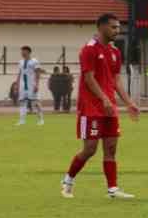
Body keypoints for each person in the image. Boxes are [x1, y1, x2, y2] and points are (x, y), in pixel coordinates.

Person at [61, 12, 139, 199]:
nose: (117, 30)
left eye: (118, 27)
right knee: (90, 149)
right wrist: (103, 98)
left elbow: (116, 80)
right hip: (91, 107)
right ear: (102, 27)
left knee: (111, 148)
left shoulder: (115, 52)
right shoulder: (89, 49)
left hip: (109, 108)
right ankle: (68, 180)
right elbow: (89, 78)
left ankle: (112, 189)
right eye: (113, 27)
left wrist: (128, 102)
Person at [16, 46, 45, 126]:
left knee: (35, 103)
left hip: (31, 85)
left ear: (28, 52)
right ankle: (22, 120)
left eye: (23, 51)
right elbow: (19, 73)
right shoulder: (20, 62)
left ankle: (41, 119)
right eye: (21, 51)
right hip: (23, 86)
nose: (22, 53)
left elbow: (38, 73)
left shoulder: (34, 61)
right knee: (22, 102)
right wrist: (17, 83)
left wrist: (37, 84)